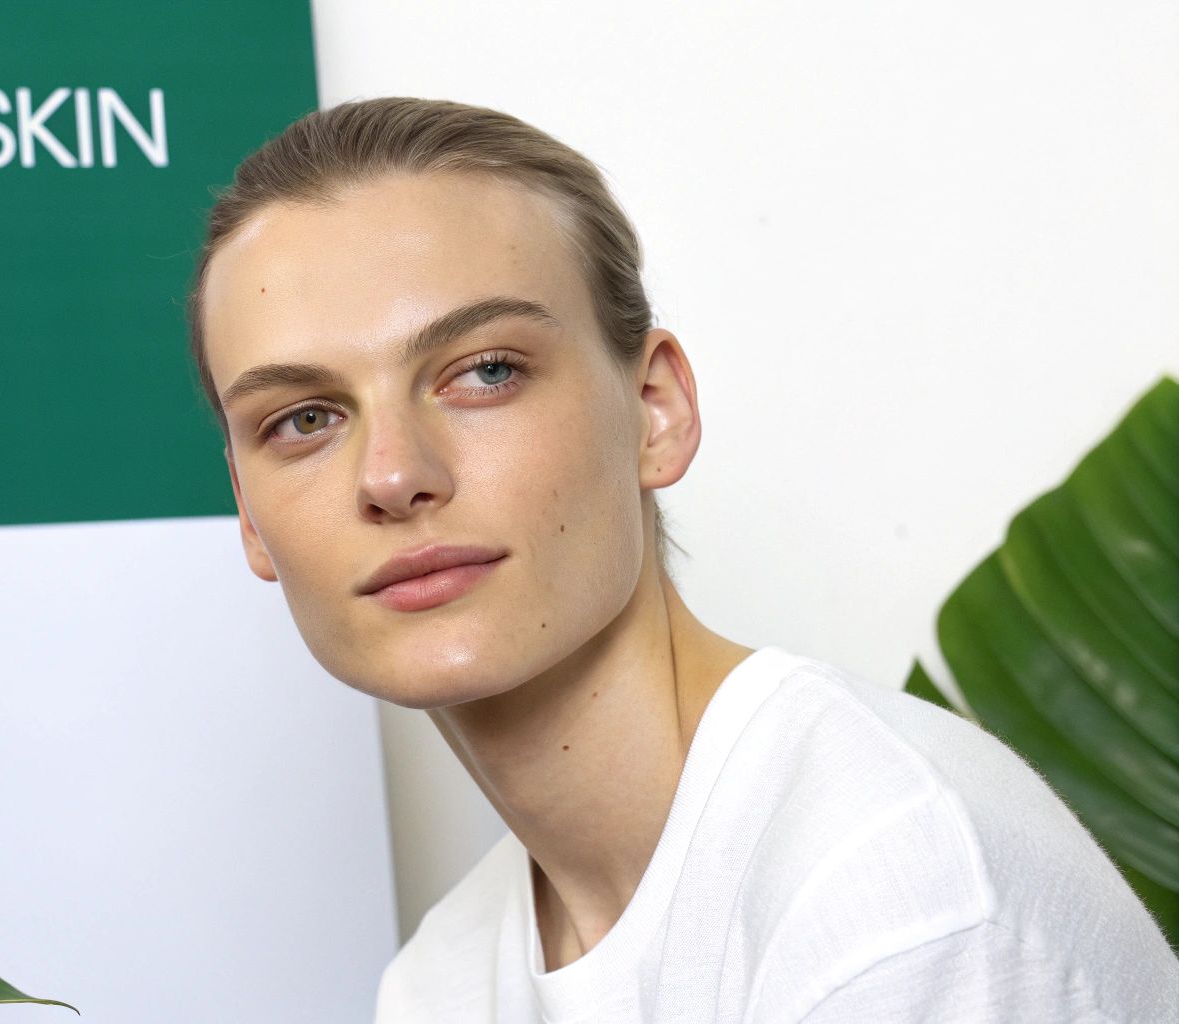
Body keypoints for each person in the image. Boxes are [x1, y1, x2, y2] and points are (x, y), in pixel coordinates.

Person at [182, 96, 1178, 1022]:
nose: (394, 475)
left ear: (654, 411)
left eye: (484, 372)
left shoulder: (891, 893)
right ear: (250, 520)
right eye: (304, 419)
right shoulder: (440, 983)